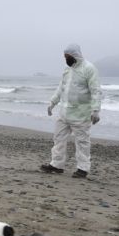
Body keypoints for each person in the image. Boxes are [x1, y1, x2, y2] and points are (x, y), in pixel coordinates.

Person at [41, 44, 102, 178]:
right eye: (64, 57)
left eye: (67, 57)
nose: (66, 59)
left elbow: (95, 91)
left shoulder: (89, 69)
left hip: (81, 114)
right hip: (64, 112)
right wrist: (52, 102)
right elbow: (61, 88)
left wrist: (96, 110)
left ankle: (83, 168)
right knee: (58, 138)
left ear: (75, 55)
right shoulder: (67, 70)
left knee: (82, 142)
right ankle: (56, 165)